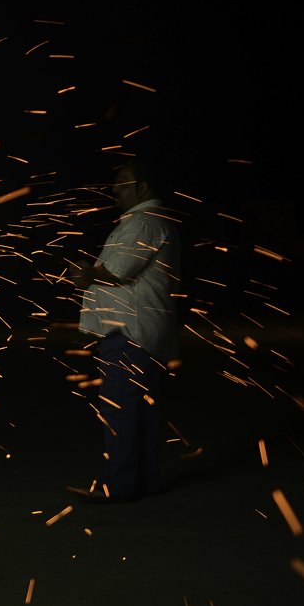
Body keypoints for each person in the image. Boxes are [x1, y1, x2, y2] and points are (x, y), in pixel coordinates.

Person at [66, 156, 182, 503]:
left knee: (120, 410)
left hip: (129, 331)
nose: (114, 189)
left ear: (142, 186)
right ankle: (143, 482)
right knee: (142, 410)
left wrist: (85, 273)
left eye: (122, 182)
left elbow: (117, 272)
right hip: (146, 330)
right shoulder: (153, 220)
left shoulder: (143, 221)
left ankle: (117, 486)